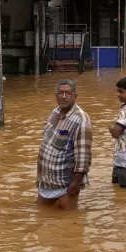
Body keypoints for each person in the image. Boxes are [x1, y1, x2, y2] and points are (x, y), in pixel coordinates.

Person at [37, 80, 92, 210]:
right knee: (41, 214)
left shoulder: (81, 120)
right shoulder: (55, 112)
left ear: (75, 96)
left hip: (65, 184)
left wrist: (76, 183)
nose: (63, 96)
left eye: (68, 93)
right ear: (56, 95)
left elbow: (83, 157)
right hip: (47, 180)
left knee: (70, 221)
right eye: (61, 92)